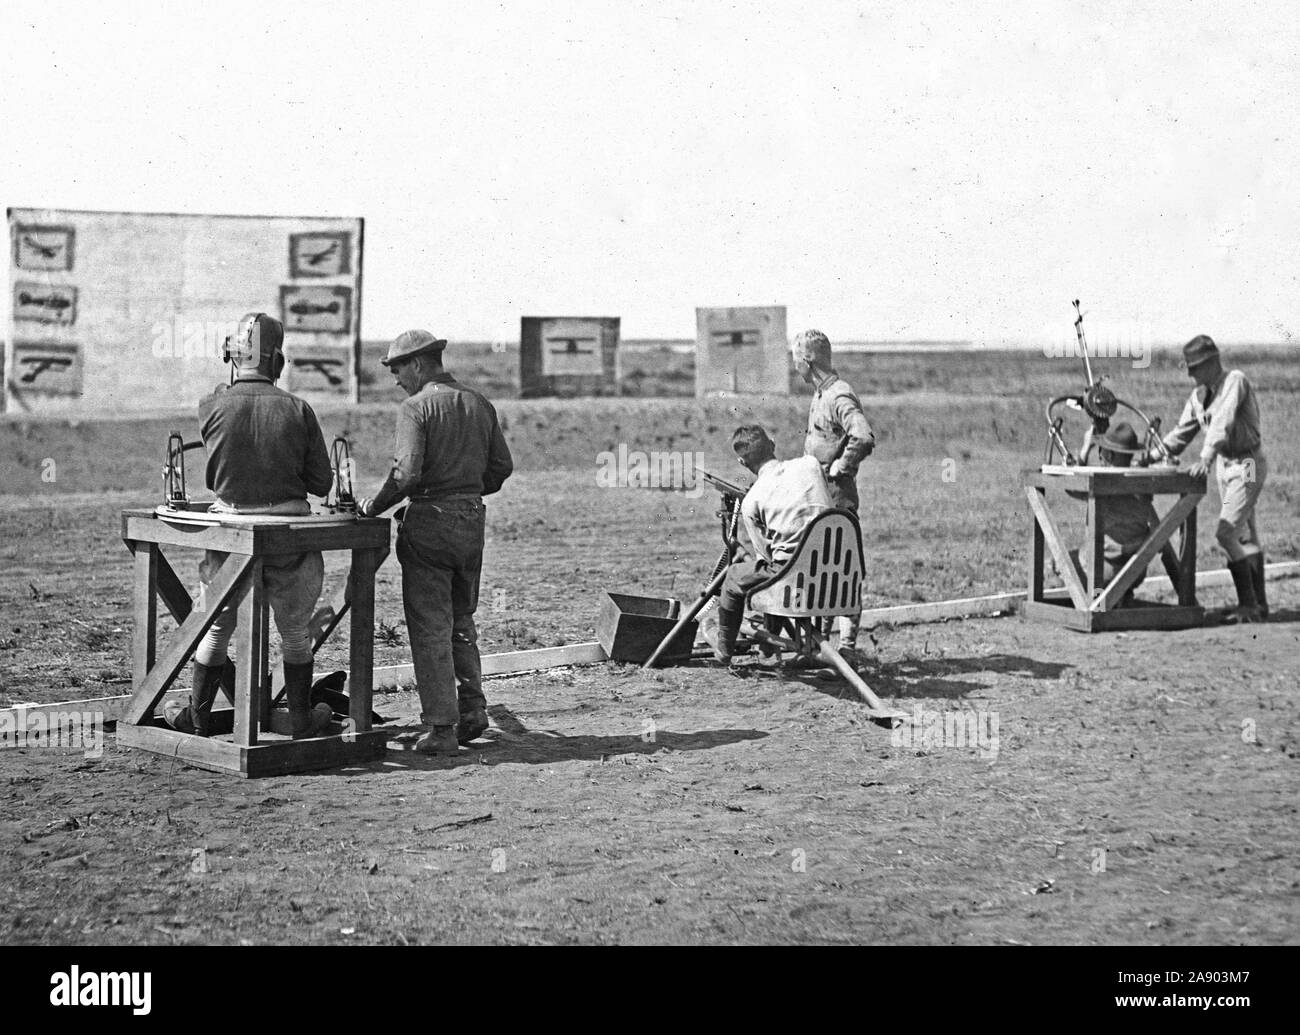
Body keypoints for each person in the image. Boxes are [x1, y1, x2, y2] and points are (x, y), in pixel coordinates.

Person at [165, 312, 335, 739]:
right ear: (277, 361)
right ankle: (299, 722)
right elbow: (321, 482)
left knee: (217, 625)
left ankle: (200, 719)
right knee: (295, 630)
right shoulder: (298, 408)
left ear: (232, 355)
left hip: (231, 531)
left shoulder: (211, 405)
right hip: (288, 533)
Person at [357, 330, 513, 756]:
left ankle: (443, 728)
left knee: (430, 627)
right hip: (471, 521)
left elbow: (405, 475)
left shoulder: (415, 408)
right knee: (461, 620)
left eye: (397, 369)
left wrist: (375, 505)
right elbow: (501, 468)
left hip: (429, 524)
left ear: (419, 365)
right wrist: (463, 488)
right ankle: (473, 710)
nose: (394, 379)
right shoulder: (479, 403)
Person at [1150, 335, 1267, 622]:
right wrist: (1152, 454)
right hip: (1225, 464)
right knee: (1243, 533)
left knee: (1226, 532)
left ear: (1213, 362)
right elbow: (1181, 433)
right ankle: (1257, 605)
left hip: (1247, 461)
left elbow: (1222, 422)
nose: (1191, 374)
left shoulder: (1235, 381)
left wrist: (1205, 457)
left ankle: (1249, 604)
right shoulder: (1199, 396)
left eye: (1196, 367)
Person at [712, 425, 833, 663]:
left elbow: (765, 560)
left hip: (792, 580)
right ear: (773, 445)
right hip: (830, 574)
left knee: (736, 575)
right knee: (778, 565)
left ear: (742, 463)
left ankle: (724, 650)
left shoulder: (752, 500)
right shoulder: (810, 465)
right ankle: (767, 648)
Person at [792, 329, 875, 649]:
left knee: (843, 572)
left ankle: (847, 650)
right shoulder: (821, 394)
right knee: (822, 573)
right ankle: (823, 647)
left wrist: (843, 467)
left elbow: (863, 436)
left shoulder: (838, 395)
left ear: (808, 360)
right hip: (819, 500)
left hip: (837, 501)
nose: (793, 365)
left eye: (796, 358)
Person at [1069, 422, 1158, 607]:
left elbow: (1071, 486)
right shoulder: (1143, 486)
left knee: (1063, 562)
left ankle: (1100, 601)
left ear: (1108, 454)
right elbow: (1157, 530)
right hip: (1136, 570)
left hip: (1104, 572)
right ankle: (1122, 594)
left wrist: (1086, 447)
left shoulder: (1104, 485)